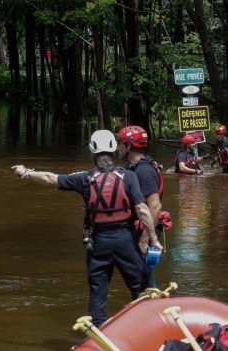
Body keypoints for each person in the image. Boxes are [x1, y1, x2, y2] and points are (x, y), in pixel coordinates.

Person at [11, 129, 162, 327]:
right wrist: (153, 239)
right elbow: (143, 210)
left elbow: (50, 178)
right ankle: (148, 327)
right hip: (126, 240)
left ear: (92, 151)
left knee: (98, 292)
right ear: (113, 149)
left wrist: (26, 173)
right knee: (139, 287)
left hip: (99, 244)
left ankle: (98, 332)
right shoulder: (129, 176)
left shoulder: (84, 178)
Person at [115, 125, 171, 253]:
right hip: (137, 228)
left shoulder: (143, 171)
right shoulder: (135, 167)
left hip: (143, 232)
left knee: (140, 272)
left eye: (120, 144)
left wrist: (144, 240)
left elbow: (155, 206)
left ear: (128, 146)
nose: (118, 148)